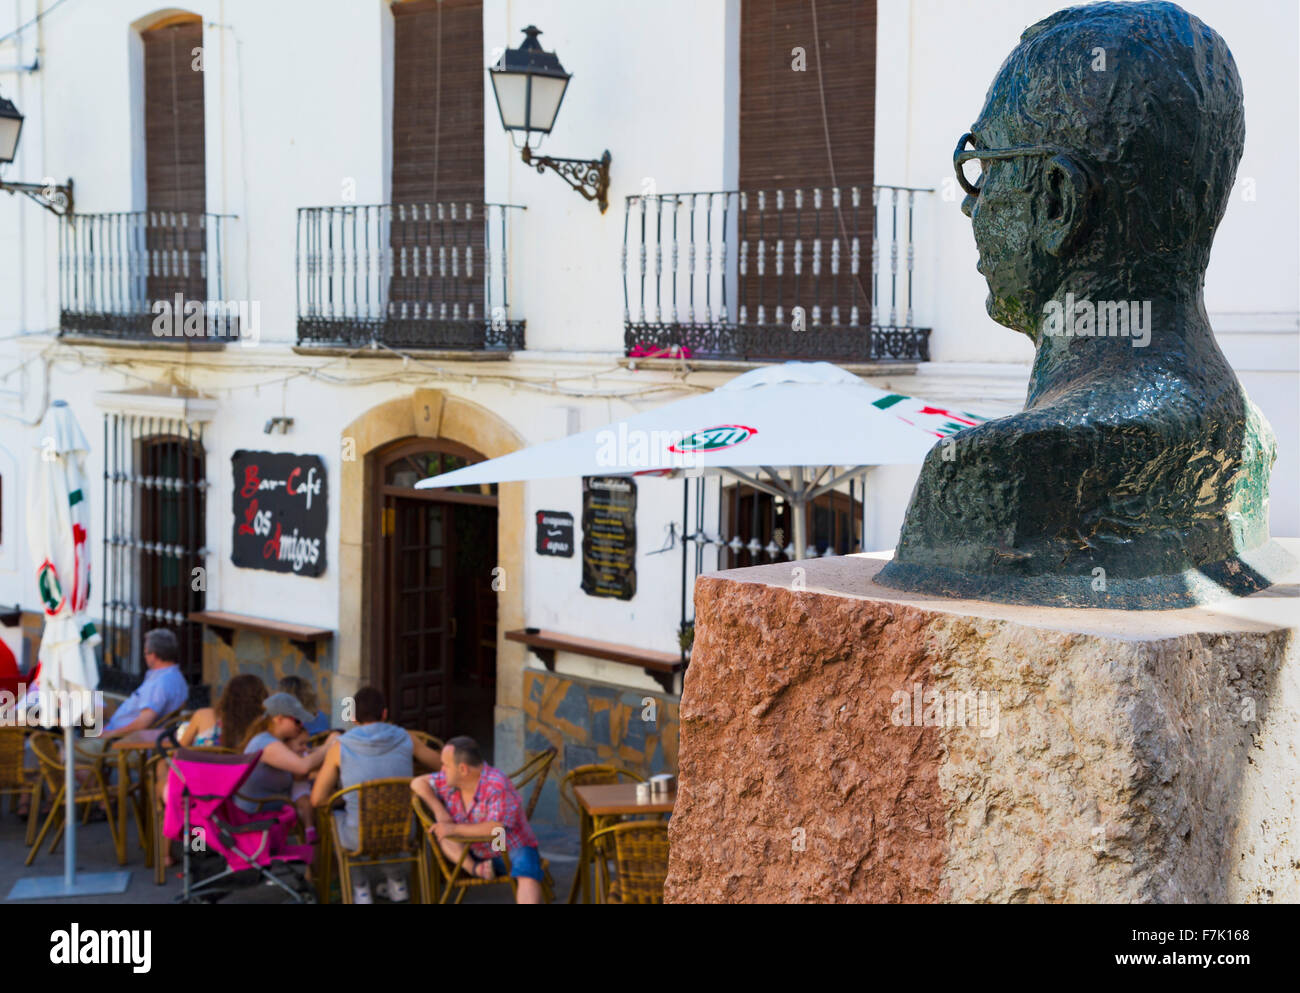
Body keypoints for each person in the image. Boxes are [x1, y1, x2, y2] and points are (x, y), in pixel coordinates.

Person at [310, 686, 442, 903]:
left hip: (357, 836)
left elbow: (317, 799)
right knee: (389, 813)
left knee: (340, 816)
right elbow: (440, 765)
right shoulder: (406, 739)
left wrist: (347, 797)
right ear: (384, 714)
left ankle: (360, 888)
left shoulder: (340, 747)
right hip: (403, 832)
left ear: (353, 717)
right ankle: (397, 881)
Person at [410, 735, 544, 904]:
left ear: (463, 769)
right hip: (469, 853)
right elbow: (417, 783)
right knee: (444, 834)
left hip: (502, 846)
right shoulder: (449, 780)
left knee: (526, 868)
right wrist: (440, 813)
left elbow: (496, 829)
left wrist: (454, 829)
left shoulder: (497, 784)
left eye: (446, 765)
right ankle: (475, 869)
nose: (441, 769)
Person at [237, 693, 336, 840]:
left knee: (325, 798)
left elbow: (307, 756)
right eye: (297, 721)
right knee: (323, 805)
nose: (301, 725)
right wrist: (330, 746)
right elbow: (303, 766)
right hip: (255, 813)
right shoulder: (266, 743)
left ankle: (319, 858)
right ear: (279, 718)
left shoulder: (276, 741)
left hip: (267, 807)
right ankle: (322, 858)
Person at [80, 629, 189, 756]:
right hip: (123, 736)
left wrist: (109, 734)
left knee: (65, 754)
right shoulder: (176, 677)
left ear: (153, 655)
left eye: (145, 653)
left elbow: (142, 724)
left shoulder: (160, 684)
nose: (145, 657)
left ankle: (93, 773)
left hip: (123, 743)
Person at [179, 673, 268, 749]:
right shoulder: (261, 724)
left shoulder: (203, 715)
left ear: (227, 694)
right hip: (239, 769)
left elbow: (181, 747)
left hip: (201, 768)